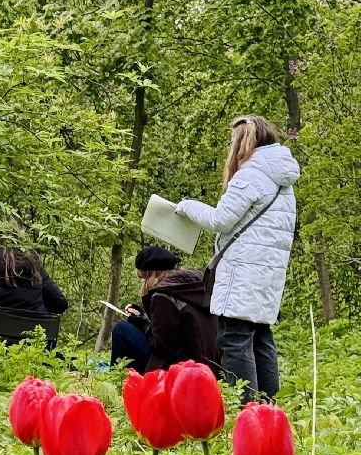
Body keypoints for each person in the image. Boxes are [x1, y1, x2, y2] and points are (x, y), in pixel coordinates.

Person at [175, 115, 300, 403]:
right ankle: (268, 408)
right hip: (268, 272)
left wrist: (186, 206)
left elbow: (221, 219)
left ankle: (248, 409)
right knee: (259, 336)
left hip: (243, 271)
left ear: (244, 140)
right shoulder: (281, 179)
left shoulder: (251, 175)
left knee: (234, 339)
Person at [109, 245, 218, 372]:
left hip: (179, 368)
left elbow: (162, 347)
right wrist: (143, 315)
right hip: (204, 366)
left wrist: (141, 323)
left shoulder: (163, 296)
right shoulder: (193, 287)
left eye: (144, 278)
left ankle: (120, 380)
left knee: (121, 330)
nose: (143, 284)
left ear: (153, 274)